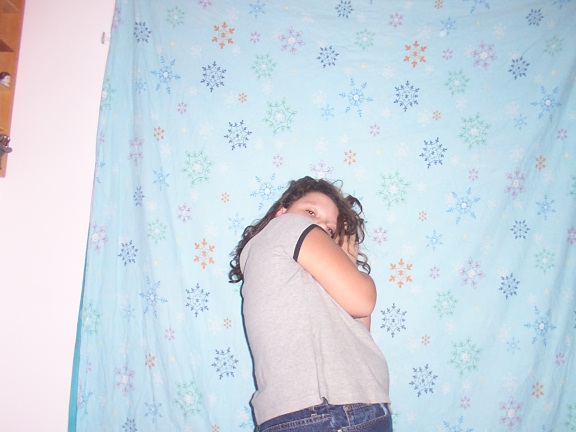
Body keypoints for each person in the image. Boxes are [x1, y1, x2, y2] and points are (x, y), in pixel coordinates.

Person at [229, 176, 392, 432]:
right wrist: (352, 267)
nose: (318, 226)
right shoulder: (288, 225)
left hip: (315, 412)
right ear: (281, 211)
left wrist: (346, 265)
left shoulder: (294, 278)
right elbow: (362, 301)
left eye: (329, 229)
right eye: (311, 212)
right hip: (332, 412)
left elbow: (358, 335)